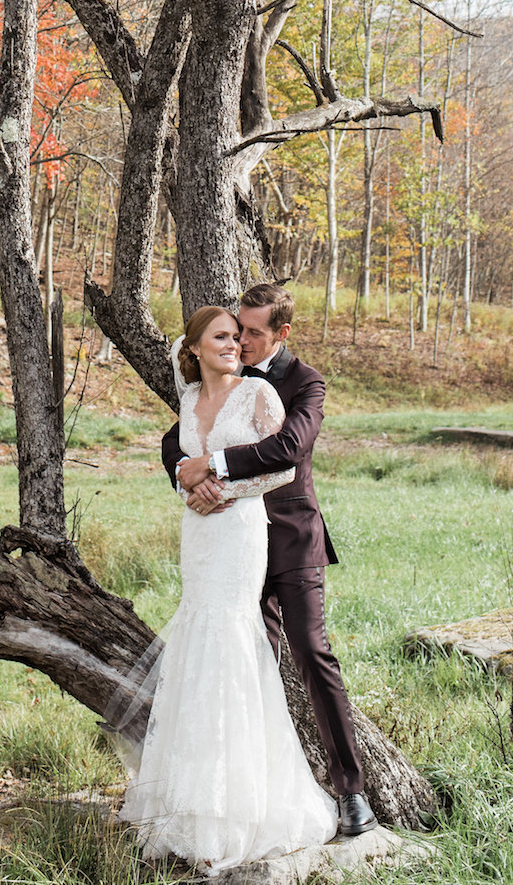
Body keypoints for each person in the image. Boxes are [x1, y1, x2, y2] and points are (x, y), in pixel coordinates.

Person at [120, 304, 338, 872]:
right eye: (221, 337)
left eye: (238, 338)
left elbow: (284, 468)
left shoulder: (260, 395)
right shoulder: (189, 403)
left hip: (241, 531)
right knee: (197, 640)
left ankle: (242, 805)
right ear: (192, 347)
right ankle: (189, 803)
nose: (234, 345)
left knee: (234, 639)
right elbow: (180, 462)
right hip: (199, 534)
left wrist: (223, 489)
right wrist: (186, 487)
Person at [162, 284, 377, 842]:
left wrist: (215, 471)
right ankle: (238, 792)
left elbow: (289, 449)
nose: (245, 338)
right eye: (238, 329)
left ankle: (351, 791)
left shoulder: (305, 382)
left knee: (310, 652)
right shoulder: (218, 380)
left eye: (255, 331)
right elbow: (175, 439)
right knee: (243, 658)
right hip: (229, 544)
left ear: (281, 333)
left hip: (291, 539)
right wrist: (187, 475)